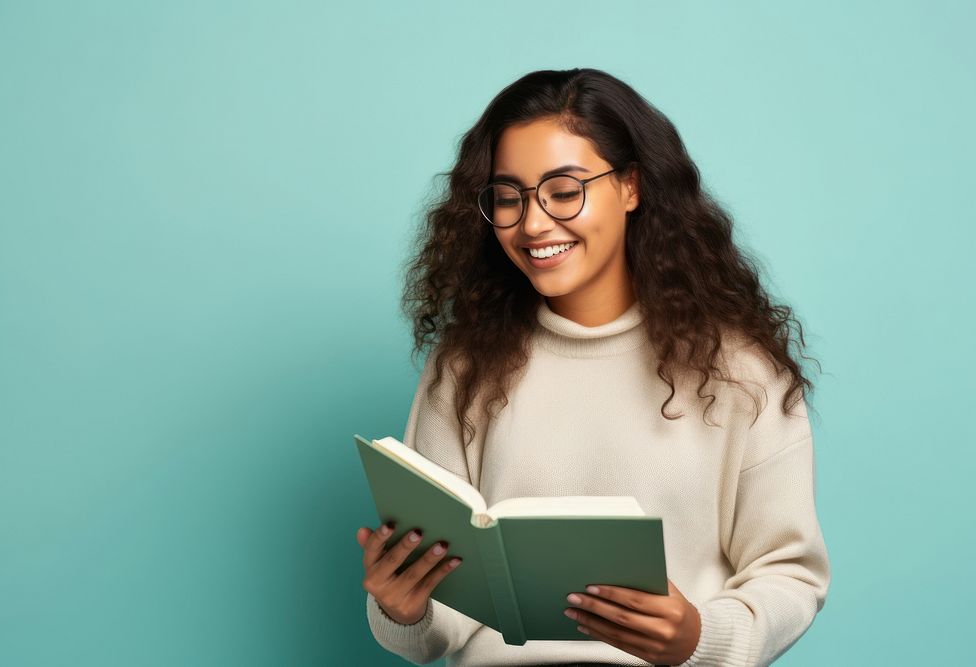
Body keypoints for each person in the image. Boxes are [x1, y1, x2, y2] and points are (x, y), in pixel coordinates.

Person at [355, 67, 831, 666]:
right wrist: (406, 608)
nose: (532, 223)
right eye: (509, 197)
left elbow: (791, 574)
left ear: (631, 187)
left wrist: (697, 637)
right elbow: (440, 614)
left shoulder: (739, 372)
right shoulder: (467, 368)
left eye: (563, 191)